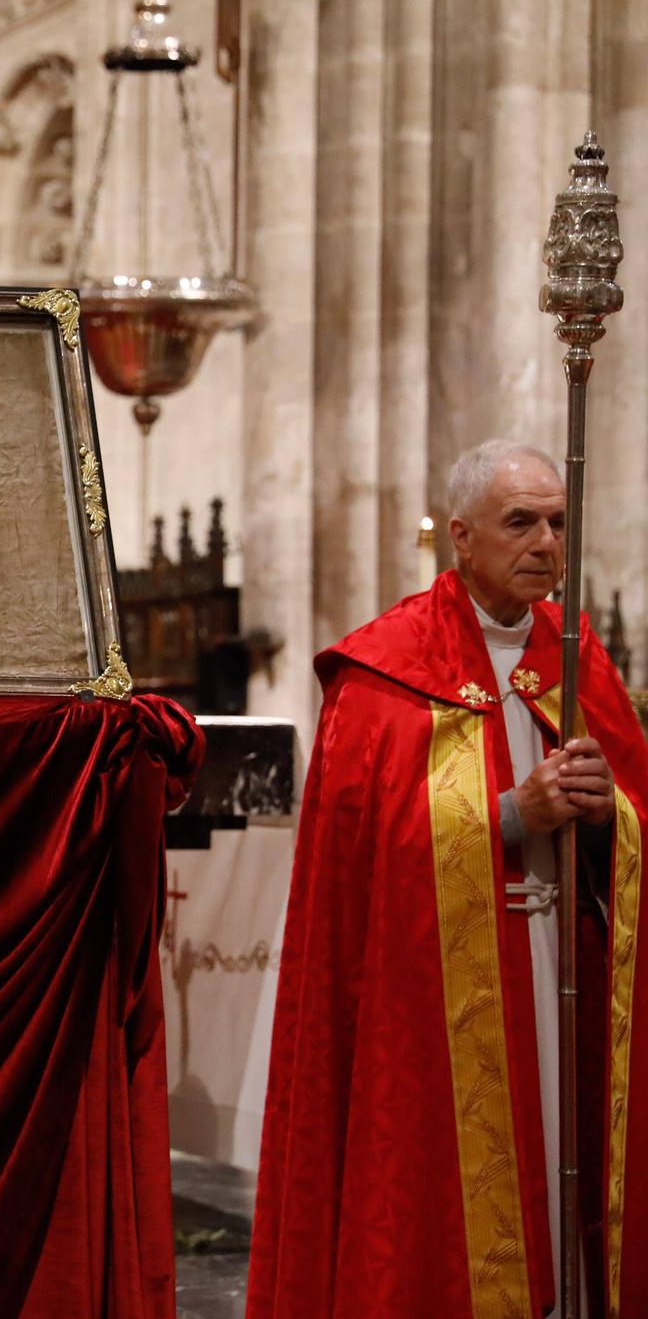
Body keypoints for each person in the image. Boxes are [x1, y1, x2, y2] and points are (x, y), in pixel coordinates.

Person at [248, 439, 648, 1316]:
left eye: (557, 521)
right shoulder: (387, 669)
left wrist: (603, 816)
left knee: (560, 1168)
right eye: (521, 522)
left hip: (558, 970)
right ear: (461, 537)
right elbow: (366, 862)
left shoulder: (581, 661)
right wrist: (511, 815)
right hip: (431, 998)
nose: (547, 542)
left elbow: (635, 821)